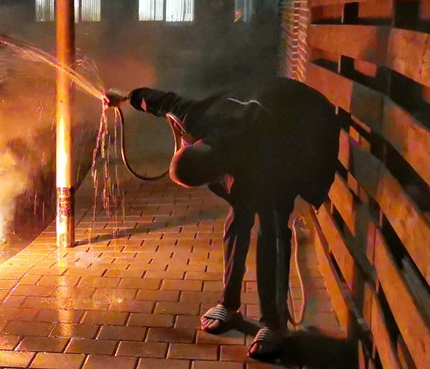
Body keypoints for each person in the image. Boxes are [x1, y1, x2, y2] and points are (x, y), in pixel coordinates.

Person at [105, 77, 339, 358]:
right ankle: (229, 305)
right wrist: (126, 97)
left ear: (222, 172)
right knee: (238, 217)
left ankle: (275, 324)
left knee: (273, 229)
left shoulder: (266, 161)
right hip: (259, 95)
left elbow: (302, 173)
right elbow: (162, 100)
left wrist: (311, 193)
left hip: (303, 113)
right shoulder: (196, 117)